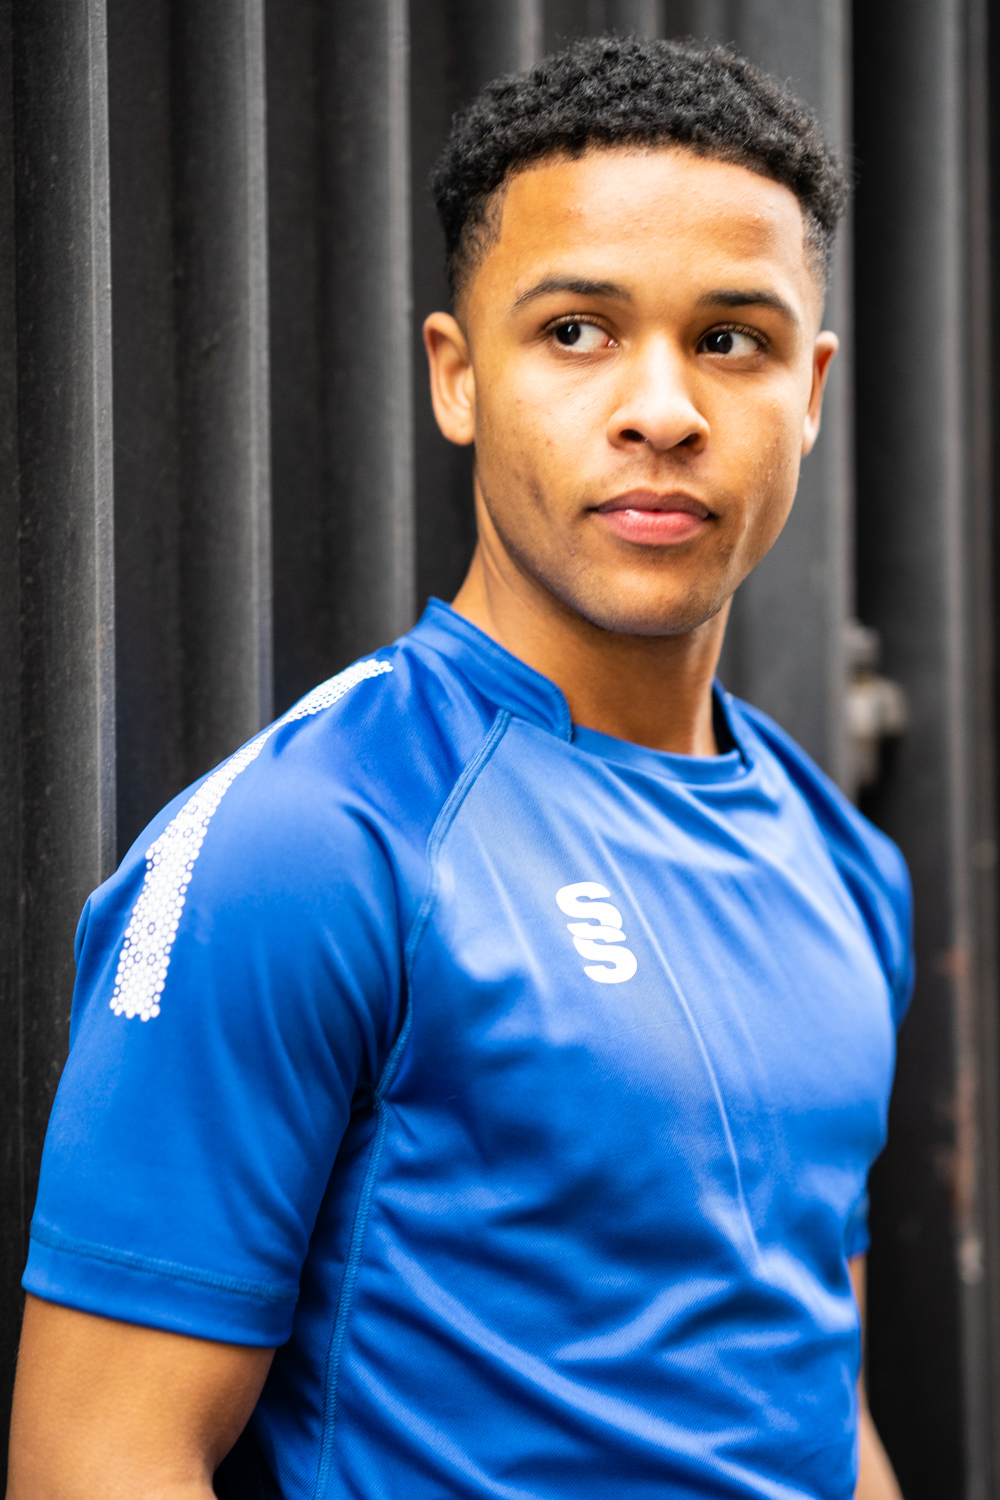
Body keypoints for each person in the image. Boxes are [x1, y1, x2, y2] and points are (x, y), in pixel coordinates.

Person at [8, 35, 910, 1500]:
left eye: (731, 340)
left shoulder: (844, 862)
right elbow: (95, 1459)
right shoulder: (312, 837)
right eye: (578, 331)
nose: (664, 409)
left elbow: (807, 1387)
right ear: (458, 376)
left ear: (809, 391)